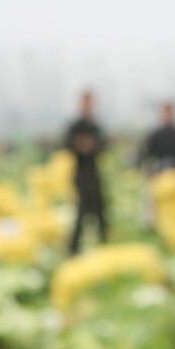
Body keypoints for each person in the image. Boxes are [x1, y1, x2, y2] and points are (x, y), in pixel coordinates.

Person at [64, 90, 109, 253]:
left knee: (101, 210)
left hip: (94, 173)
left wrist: (91, 146)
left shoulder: (95, 125)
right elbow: (66, 145)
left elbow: (103, 146)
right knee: (81, 213)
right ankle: (73, 249)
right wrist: (80, 145)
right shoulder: (75, 126)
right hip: (81, 174)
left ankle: (103, 244)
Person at [138, 101, 175, 175]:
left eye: (170, 112)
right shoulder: (155, 135)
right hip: (160, 171)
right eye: (166, 112)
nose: (168, 115)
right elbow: (147, 155)